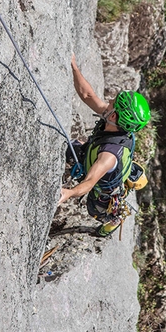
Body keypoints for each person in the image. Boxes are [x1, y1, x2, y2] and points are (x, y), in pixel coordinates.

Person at [58, 54, 151, 237]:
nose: (109, 103)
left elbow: (89, 183)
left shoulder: (108, 156)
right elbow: (87, 95)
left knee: (95, 210)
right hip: (96, 156)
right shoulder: (114, 121)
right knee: (70, 148)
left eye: (113, 104)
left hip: (103, 192)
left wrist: (68, 193)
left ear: (115, 116)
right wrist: (74, 67)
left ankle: (112, 221)